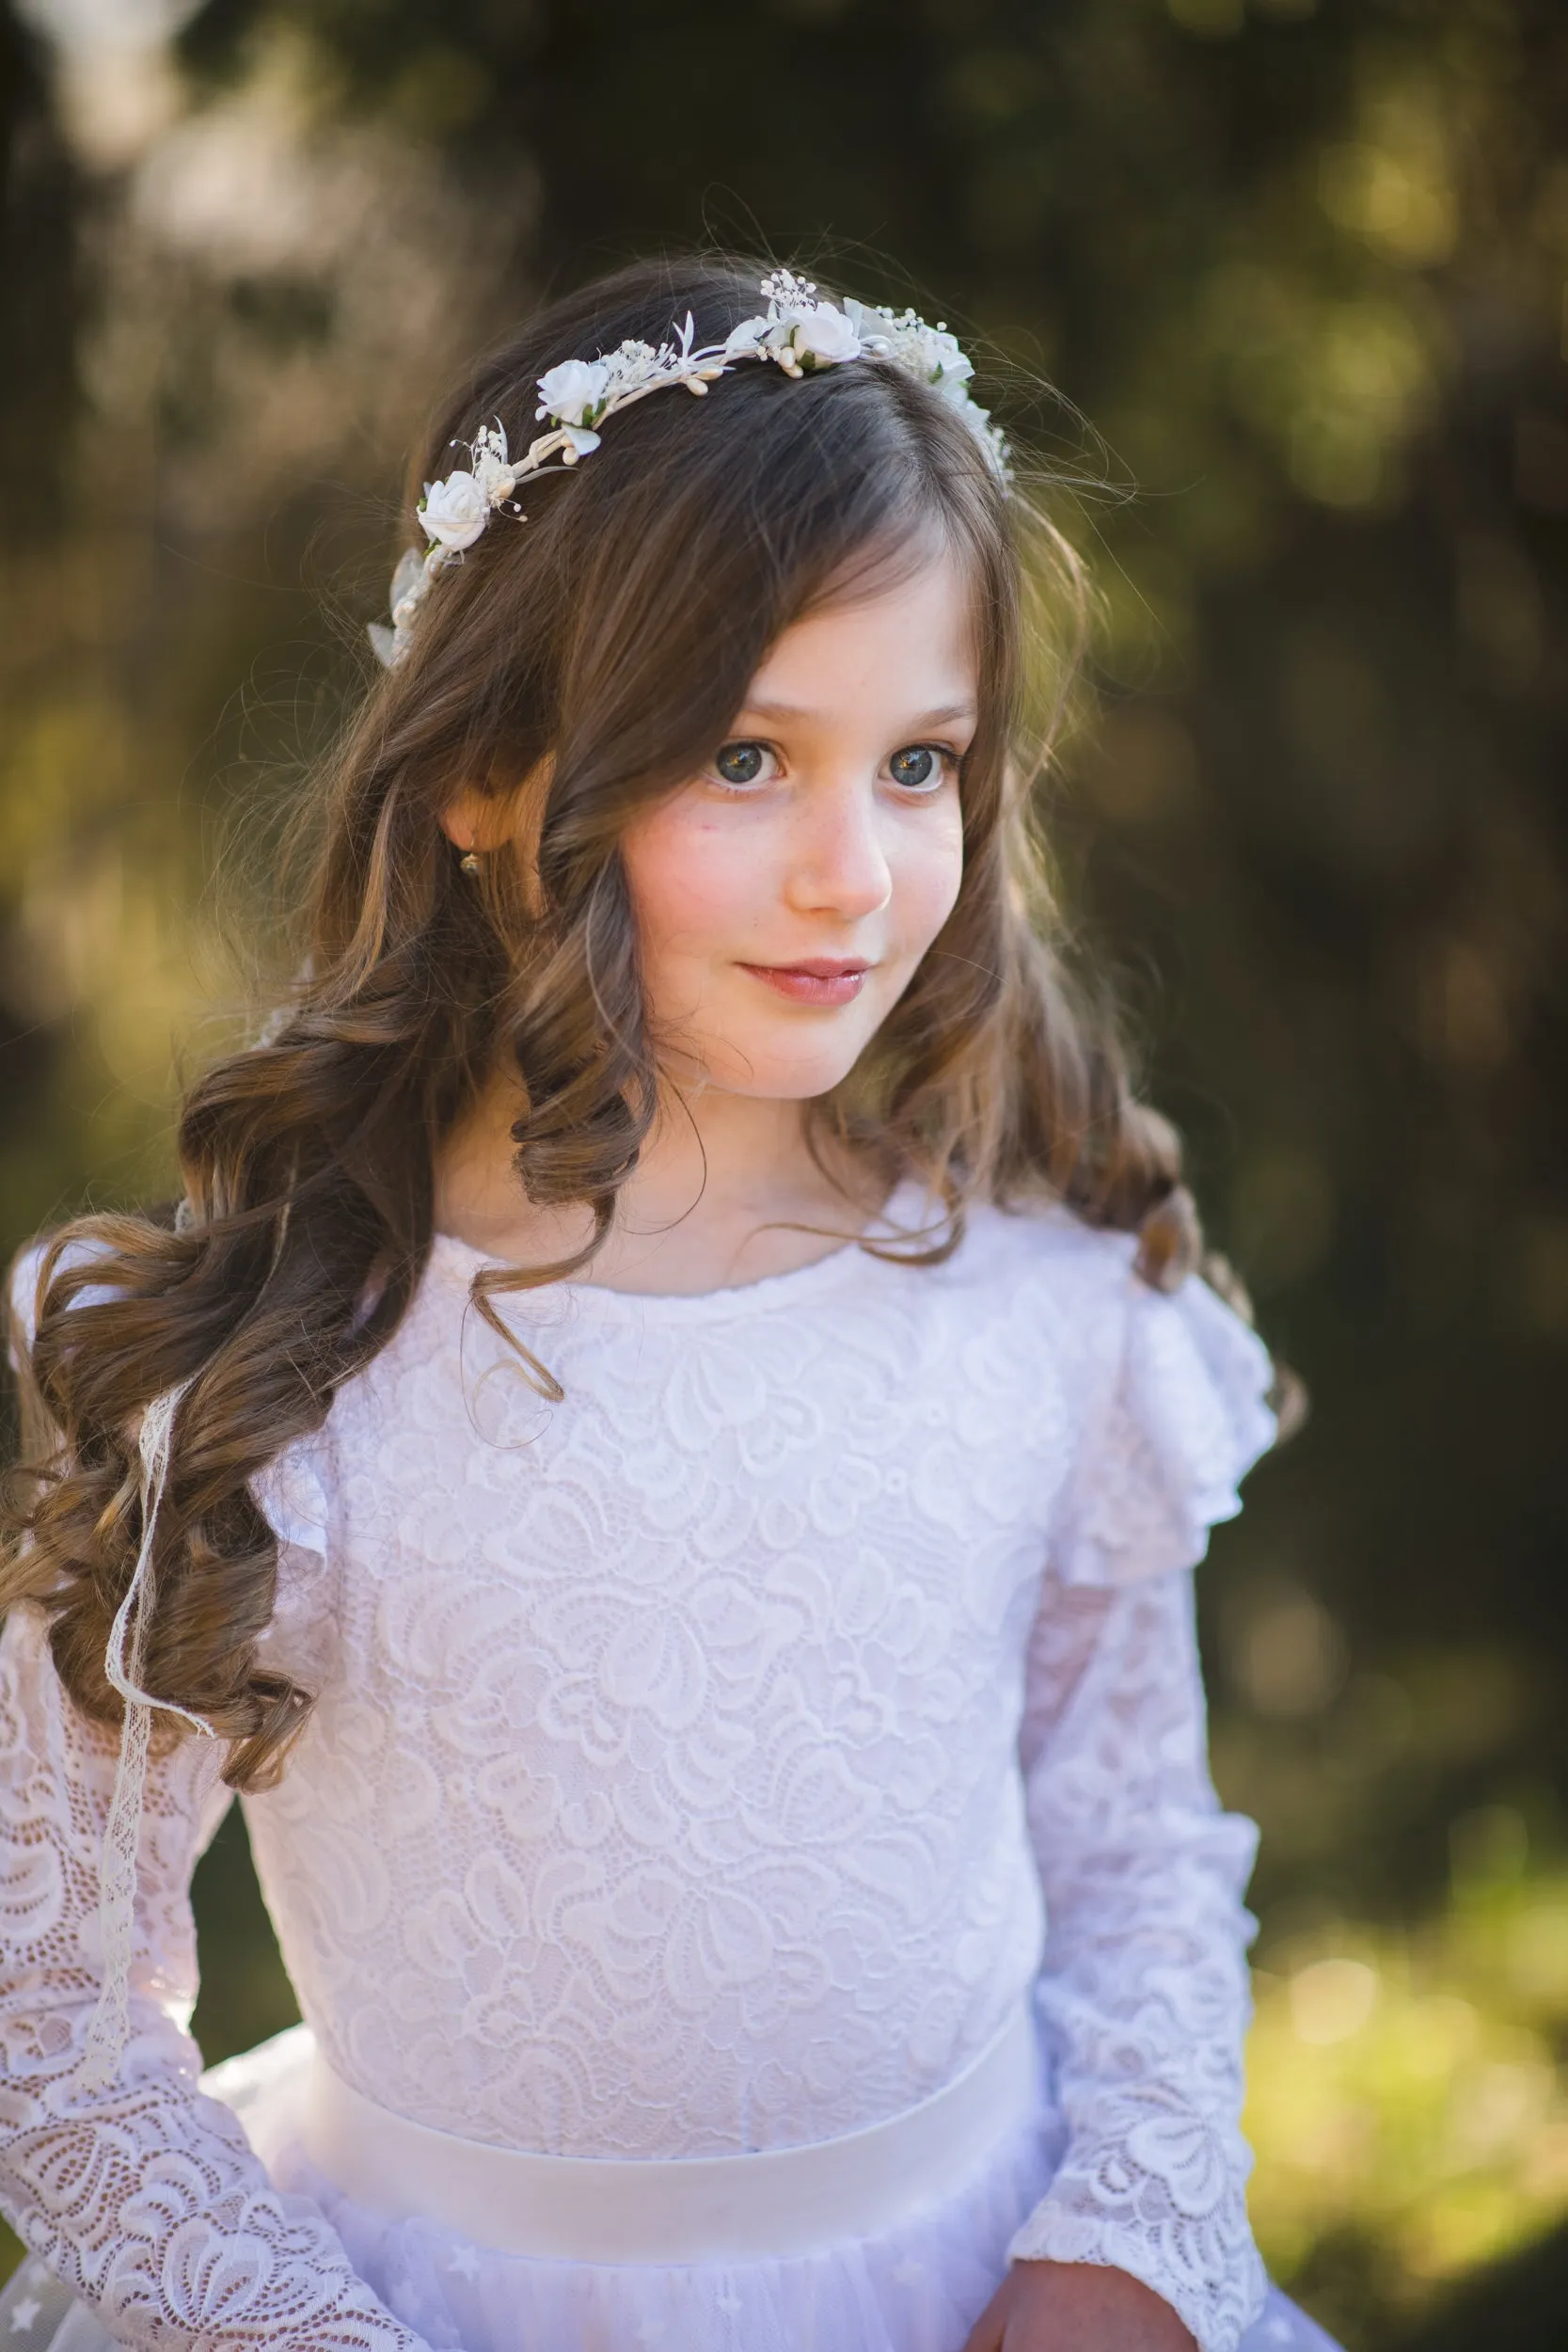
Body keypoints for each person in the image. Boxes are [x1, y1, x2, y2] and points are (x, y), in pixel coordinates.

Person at [0, 256, 1342, 2352]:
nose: (852, 871)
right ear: (478, 777)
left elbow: (1136, 1837)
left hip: (995, 2261)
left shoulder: (1030, 1298)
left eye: (917, 763)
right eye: (740, 755)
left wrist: (1122, 2241)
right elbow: (50, 2006)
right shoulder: (270, 1370)